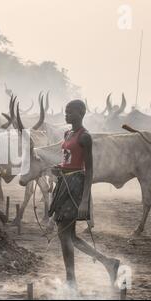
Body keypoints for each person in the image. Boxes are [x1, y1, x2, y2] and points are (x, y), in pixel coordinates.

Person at [48, 99, 120, 289]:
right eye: (65, 111)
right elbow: (68, 160)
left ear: (81, 113)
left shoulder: (84, 136)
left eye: (70, 112)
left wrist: (85, 201)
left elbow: (89, 170)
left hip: (76, 187)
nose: (66, 115)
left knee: (65, 234)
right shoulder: (67, 133)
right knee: (67, 235)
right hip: (63, 183)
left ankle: (72, 280)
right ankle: (107, 263)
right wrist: (60, 168)